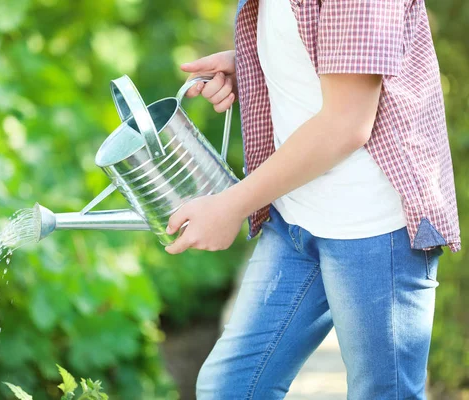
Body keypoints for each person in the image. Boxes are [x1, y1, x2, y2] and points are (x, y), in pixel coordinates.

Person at [163, 0, 462, 399]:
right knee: (230, 389)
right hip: (295, 216)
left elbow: (346, 123)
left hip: (372, 232)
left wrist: (229, 205)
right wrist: (261, 61)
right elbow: (327, 46)